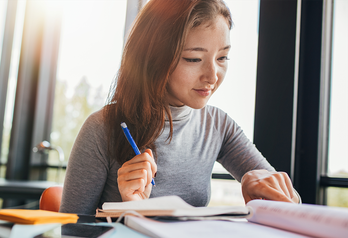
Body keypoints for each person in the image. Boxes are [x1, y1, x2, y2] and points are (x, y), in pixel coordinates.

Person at [59, 0, 300, 215]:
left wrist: (264, 185)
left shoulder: (218, 126)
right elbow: (71, 231)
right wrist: (129, 212)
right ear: (154, 56)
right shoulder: (102, 129)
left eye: (222, 58)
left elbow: (292, 203)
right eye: (194, 59)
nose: (212, 76)